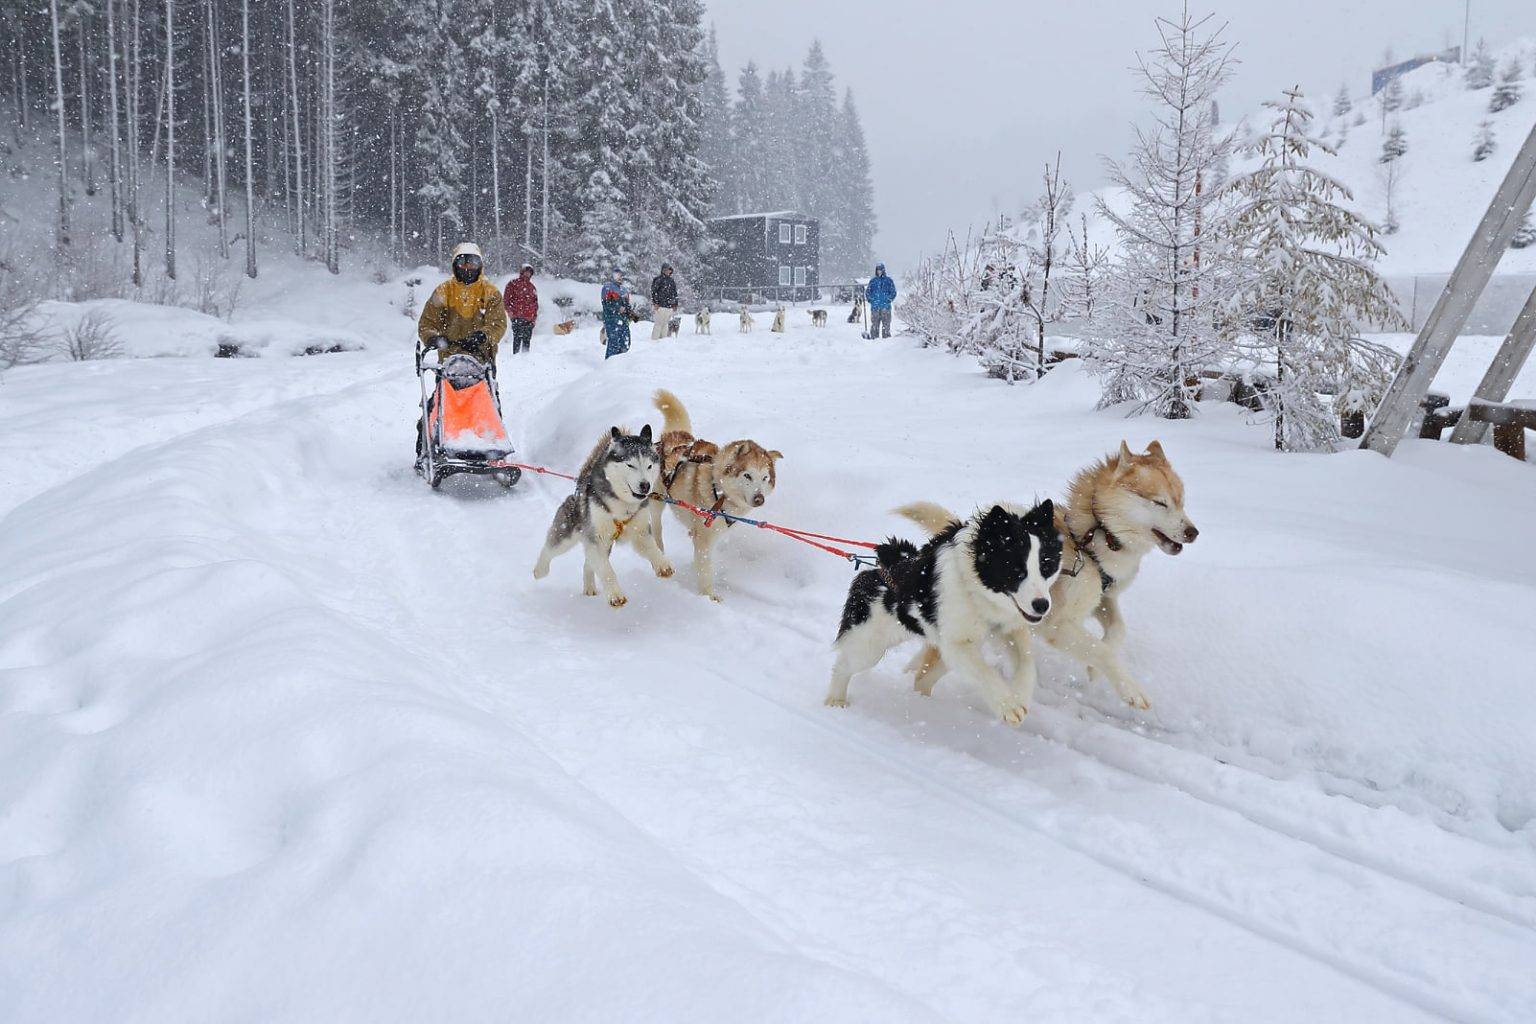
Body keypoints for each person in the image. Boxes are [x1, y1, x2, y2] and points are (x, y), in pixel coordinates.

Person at [417, 241, 509, 366]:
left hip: (482, 360)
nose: (468, 267)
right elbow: (427, 322)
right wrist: (432, 337)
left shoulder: (490, 292)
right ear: (455, 265)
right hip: (448, 362)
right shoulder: (443, 291)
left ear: (480, 266)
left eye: (473, 263)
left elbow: (498, 324)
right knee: (445, 387)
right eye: (462, 263)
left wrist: (483, 336)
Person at [503, 263, 538, 355]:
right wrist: (510, 312)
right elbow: (506, 300)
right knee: (517, 338)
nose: (527, 274)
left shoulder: (532, 287)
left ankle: (525, 358)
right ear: (522, 272)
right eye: (526, 272)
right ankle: (515, 358)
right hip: (517, 317)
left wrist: (534, 318)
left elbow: (535, 304)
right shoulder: (513, 284)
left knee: (527, 340)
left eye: (529, 272)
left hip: (529, 318)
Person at [600, 268, 635, 359]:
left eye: (620, 275)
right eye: (617, 274)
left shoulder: (624, 290)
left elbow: (627, 306)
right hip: (611, 320)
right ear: (612, 275)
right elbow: (606, 304)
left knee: (625, 343)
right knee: (614, 343)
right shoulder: (607, 287)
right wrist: (617, 308)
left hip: (623, 321)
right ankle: (609, 365)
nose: (619, 277)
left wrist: (632, 315)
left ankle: (620, 365)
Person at [866, 262, 897, 339]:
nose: (879, 271)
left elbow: (893, 292)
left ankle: (886, 340)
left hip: (886, 307)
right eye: (877, 270)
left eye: (880, 270)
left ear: (883, 270)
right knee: (874, 325)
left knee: (886, 325)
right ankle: (874, 339)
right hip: (875, 308)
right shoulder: (873, 281)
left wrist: (888, 299)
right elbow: (868, 292)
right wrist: (871, 300)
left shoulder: (889, 281)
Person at [649, 262, 678, 341]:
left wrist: (675, 304)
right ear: (663, 270)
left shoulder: (672, 281)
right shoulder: (658, 279)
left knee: (665, 324)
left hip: (669, 306)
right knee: (658, 324)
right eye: (667, 269)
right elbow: (653, 292)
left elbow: (674, 293)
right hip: (660, 305)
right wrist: (655, 303)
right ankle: (654, 340)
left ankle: (663, 341)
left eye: (669, 269)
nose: (668, 271)